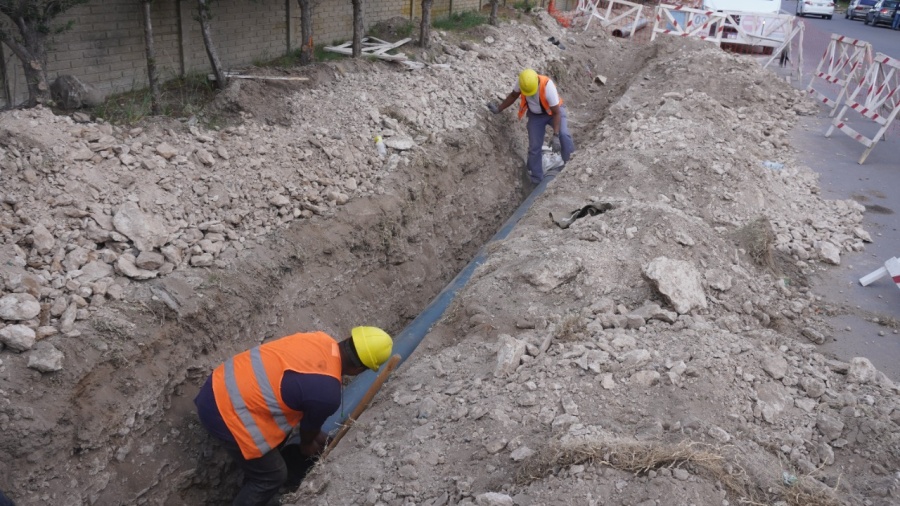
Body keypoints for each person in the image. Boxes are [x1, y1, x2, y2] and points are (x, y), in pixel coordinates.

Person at [194, 327, 393, 506]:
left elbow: (301, 398)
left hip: (217, 384)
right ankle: (258, 486)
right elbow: (307, 439)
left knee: (278, 439)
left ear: (349, 338)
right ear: (359, 369)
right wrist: (309, 444)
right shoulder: (327, 393)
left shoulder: (318, 338)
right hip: (224, 413)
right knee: (272, 476)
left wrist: (312, 434)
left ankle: (255, 487)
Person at [488, 68, 575, 184]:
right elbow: (513, 96)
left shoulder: (547, 86)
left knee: (564, 135)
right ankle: (536, 180)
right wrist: (499, 109)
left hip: (553, 113)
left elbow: (556, 113)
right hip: (536, 116)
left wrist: (555, 135)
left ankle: (570, 168)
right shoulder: (522, 83)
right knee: (534, 147)